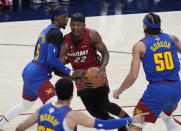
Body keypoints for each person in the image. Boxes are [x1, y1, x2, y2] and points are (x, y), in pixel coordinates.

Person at [0, 5, 82, 129]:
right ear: (56, 18)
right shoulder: (56, 33)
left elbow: (49, 58)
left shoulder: (47, 29)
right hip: (37, 75)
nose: (67, 19)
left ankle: (1, 123)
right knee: (58, 107)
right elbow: (51, 59)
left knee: (26, 104)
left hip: (30, 70)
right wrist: (70, 72)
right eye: (64, 16)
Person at [113, 13, 181, 131]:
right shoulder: (172, 38)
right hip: (176, 90)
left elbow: (133, 76)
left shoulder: (140, 46)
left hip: (157, 92)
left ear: (144, 26)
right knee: (166, 115)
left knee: (135, 125)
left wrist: (119, 90)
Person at [57, 12, 130, 131]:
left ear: (84, 25)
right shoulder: (66, 42)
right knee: (94, 112)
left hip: (96, 73)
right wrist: (74, 76)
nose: (75, 27)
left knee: (104, 104)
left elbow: (105, 53)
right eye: (73, 25)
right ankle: (119, 125)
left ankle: (128, 120)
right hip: (80, 78)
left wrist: (102, 68)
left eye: (78, 25)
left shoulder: (92, 35)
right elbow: (59, 67)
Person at [15, 78, 148, 131]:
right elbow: (103, 125)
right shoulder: (72, 115)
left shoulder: (42, 109)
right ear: (72, 95)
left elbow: (20, 128)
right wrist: (130, 119)